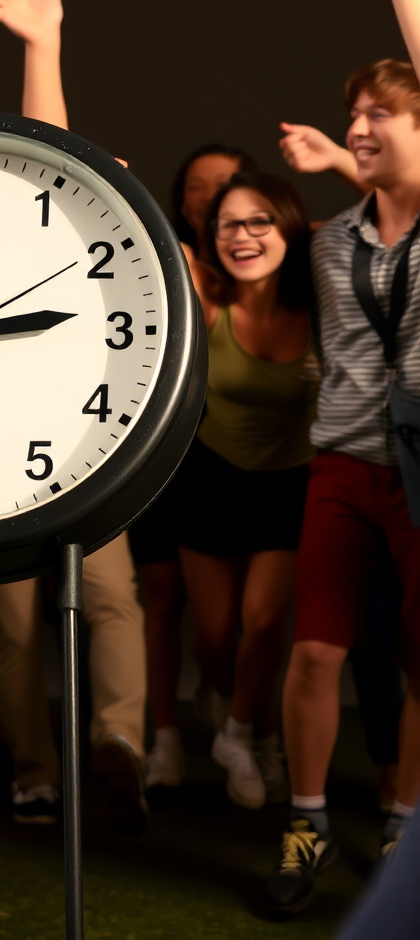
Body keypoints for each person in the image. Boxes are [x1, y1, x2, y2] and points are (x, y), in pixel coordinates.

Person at [265, 0, 420, 917]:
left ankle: (405, 824)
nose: (358, 123)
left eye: (382, 112)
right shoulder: (330, 242)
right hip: (343, 465)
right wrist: (344, 172)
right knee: (314, 646)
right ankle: (308, 819)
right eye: (352, 112)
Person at [0, 0, 149, 833]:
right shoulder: (5, 252)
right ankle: (36, 773)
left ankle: (119, 749)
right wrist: (44, 46)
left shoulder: (112, 275)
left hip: (87, 458)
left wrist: (48, 41)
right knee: (15, 622)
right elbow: (51, 151)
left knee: (110, 596)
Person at [176, 172, 317, 810]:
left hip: (288, 484)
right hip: (211, 478)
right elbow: (154, 240)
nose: (243, 235)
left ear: (289, 226)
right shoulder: (207, 293)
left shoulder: (320, 297)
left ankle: (238, 735)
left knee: (264, 624)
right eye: (229, 223)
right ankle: (243, 711)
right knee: (213, 638)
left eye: (260, 221)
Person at [128, 142, 255, 790]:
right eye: (200, 187)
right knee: (161, 599)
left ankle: (229, 705)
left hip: (225, 462)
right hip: (161, 457)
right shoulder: (164, 256)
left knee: (226, 622)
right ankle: (166, 743)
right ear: (183, 200)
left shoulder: (262, 262)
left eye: (228, 183)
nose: (212, 195)